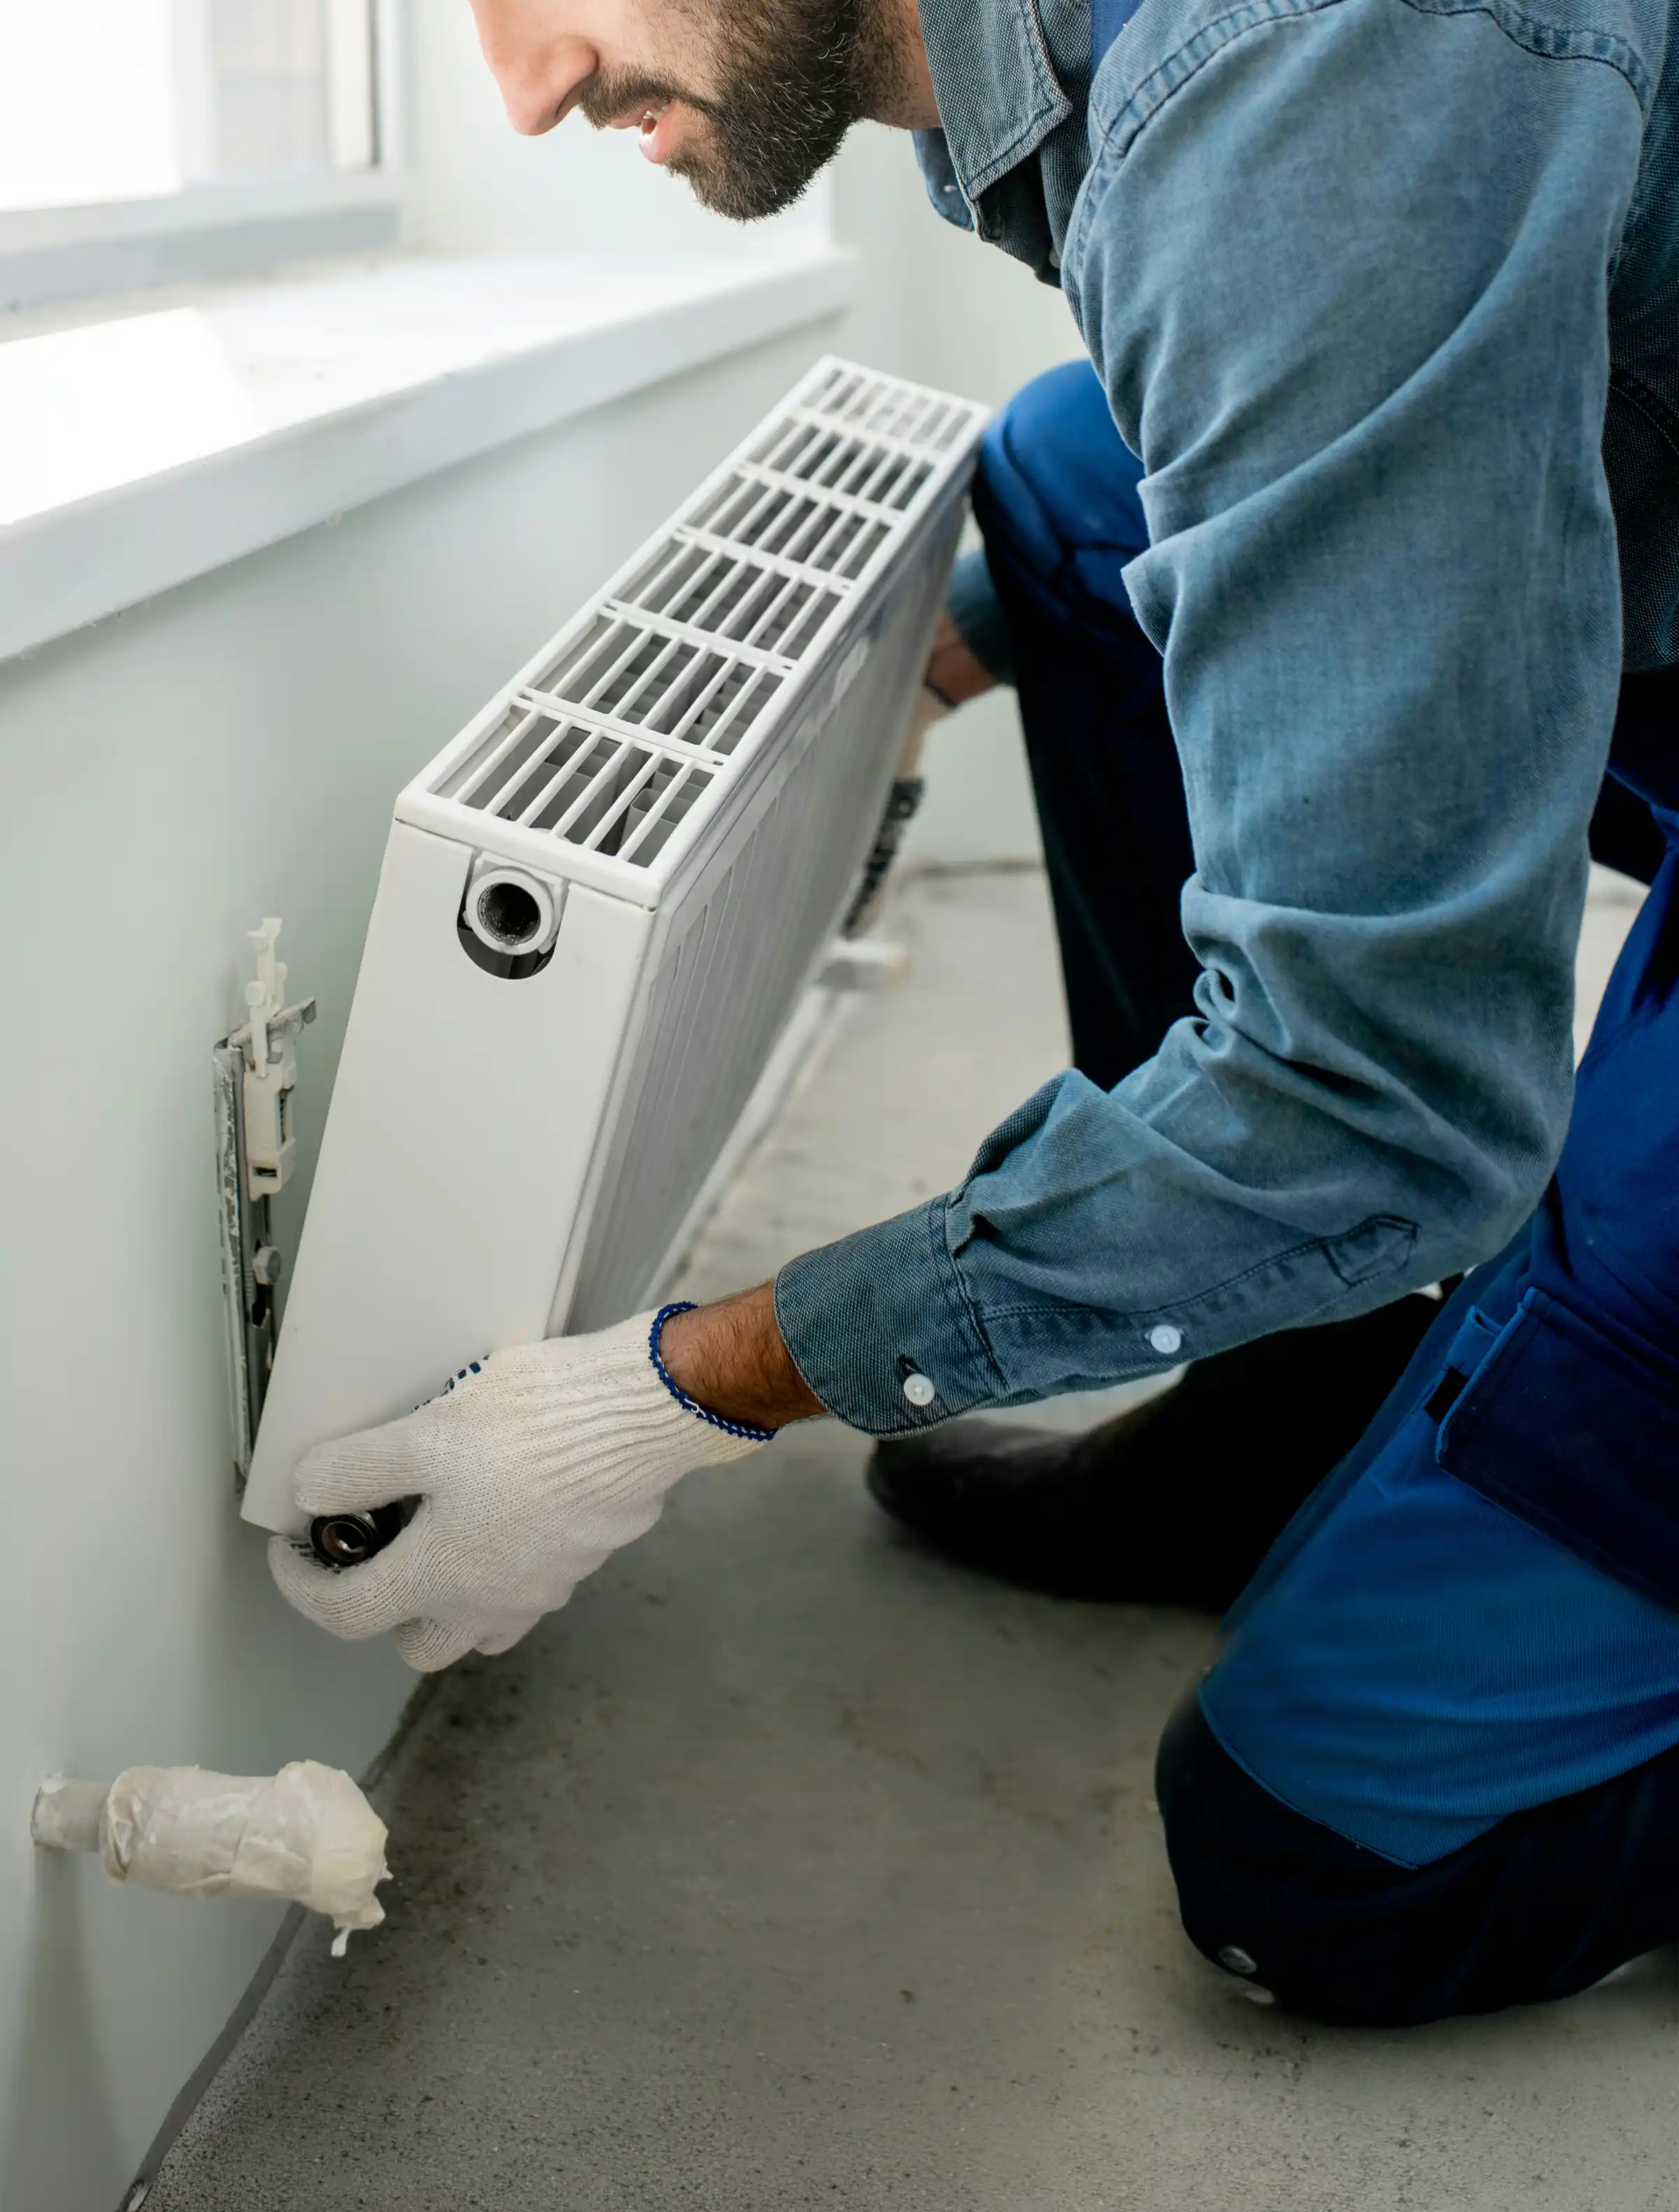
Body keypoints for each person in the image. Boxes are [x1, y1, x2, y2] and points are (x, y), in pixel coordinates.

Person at [270, 0, 1679, 2027]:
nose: (524, 85)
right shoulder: (1123, 74)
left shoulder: (1314, 74)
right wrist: (876, 718)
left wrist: (687, 1389)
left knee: (1326, 1851)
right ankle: (1281, 1401)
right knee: (1062, 486)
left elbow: (1389, 1105)